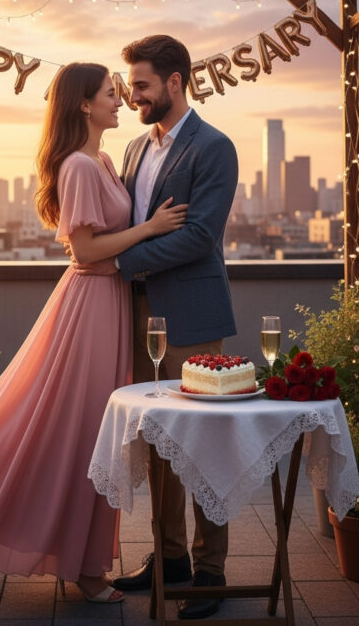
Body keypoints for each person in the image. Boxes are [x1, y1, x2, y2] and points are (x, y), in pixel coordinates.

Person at [0, 62, 187, 604]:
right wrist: (149, 228)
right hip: (92, 305)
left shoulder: (100, 159)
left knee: (88, 432)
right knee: (81, 433)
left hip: (108, 304)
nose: (119, 100)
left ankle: (84, 558)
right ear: (83, 104)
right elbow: (84, 250)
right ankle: (85, 566)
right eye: (109, 93)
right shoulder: (78, 165)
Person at [109, 35, 239, 620]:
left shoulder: (215, 148)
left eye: (140, 84)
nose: (131, 93)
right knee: (160, 436)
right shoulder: (135, 148)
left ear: (175, 82)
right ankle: (169, 559)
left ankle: (210, 569)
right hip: (136, 313)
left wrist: (121, 262)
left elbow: (198, 237)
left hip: (189, 313)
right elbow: (135, 223)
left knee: (203, 440)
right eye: (130, 84)